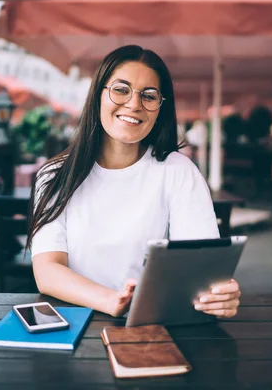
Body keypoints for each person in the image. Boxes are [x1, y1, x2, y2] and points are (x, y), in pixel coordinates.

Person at [26, 45, 241, 318]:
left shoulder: (178, 171)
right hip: (72, 322)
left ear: (160, 108)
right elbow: (47, 271)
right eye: (121, 89)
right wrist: (113, 300)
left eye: (149, 96)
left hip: (151, 325)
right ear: (98, 95)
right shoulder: (55, 175)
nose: (134, 104)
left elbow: (200, 270)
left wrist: (218, 295)